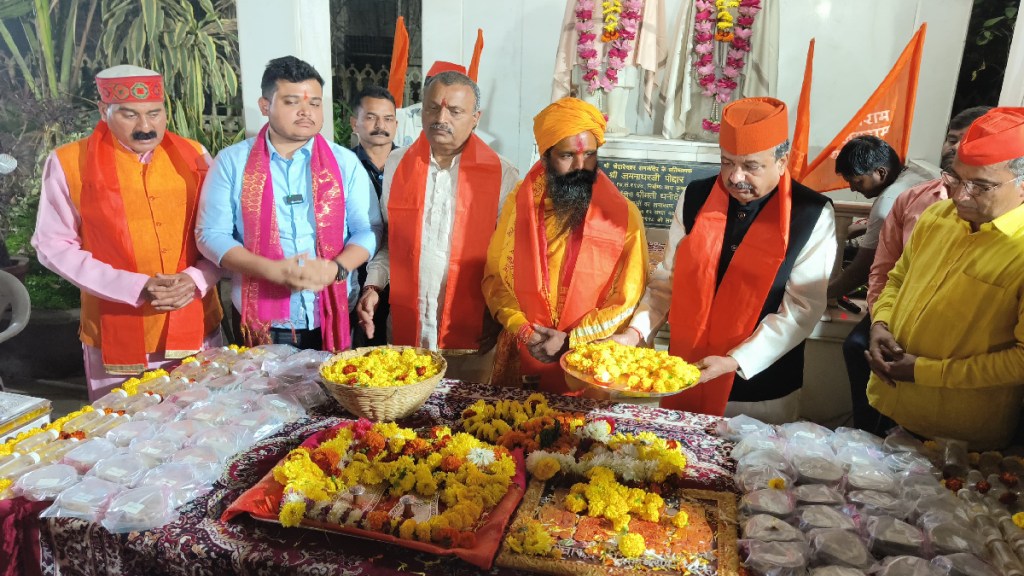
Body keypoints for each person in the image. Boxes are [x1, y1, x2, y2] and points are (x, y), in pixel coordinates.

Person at [613, 97, 837, 423]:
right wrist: (635, 332)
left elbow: (802, 309)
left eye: (750, 166)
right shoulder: (696, 198)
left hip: (760, 389)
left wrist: (735, 361)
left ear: (782, 161)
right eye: (727, 162)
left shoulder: (810, 213)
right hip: (685, 375)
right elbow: (667, 282)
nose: (735, 177)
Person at [32, 65, 224, 400]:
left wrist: (196, 278)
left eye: (155, 113)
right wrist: (136, 286)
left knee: (205, 428)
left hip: (195, 320)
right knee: (122, 433)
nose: (146, 127)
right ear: (103, 111)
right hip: (114, 330)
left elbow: (221, 232)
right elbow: (52, 245)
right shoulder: (69, 162)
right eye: (129, 115)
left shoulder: (195, 155)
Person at [196, 56, 381, 351]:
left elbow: (368, 229)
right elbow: (210, 234)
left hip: (333, 311)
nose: (306, 112)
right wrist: (271, 271)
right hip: (262, 317)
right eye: (292, 102)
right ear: (265, 105)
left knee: (332, 393)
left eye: (315, 103)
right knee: (265, 396)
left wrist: (337, 269)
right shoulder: (232, 162)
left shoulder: (344, 163)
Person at [866, 107, 1024, 450]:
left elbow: (1021, 360)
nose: (961, 196)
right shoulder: (939, 215)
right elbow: (898, 278)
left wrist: (923, 371)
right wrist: (881, 323)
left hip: (963, 434)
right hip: (893, 403)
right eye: (954, 178)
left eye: (981, 186)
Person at [358, 67, 519, 382]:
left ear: (475, 117)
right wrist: (374, 285)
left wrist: (500, 315)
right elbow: (393, 242)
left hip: (473, 340)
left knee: (465, 424)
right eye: (433, 107)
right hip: (407, 334)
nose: (440, 117)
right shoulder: (396, 164)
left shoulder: (503, 174)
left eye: (455, 111)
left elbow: (510, 259)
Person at [483, 98, 648, 393]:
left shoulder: (624, 216)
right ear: (546, 155)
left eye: (590, 155)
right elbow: (496, 277)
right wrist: (525, 330)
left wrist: (572, 340)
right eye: (567, 155)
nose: (580, 166)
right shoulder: (519, 204)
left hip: (591, 358)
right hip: (524, 348)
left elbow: (628, 296)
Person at [845, 106, 991, 434]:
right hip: (898, 308)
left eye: (967, 140)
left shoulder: (1006, 226)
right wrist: (880, 323)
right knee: (858, 346)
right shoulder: (917, 201)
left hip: (956, 330)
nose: (956, 148)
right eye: (952, 139)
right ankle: (867, 434)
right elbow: (886, 271)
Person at [828, 136, 926, 302]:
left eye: (857, 182)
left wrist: (820, 295)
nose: (852, 189)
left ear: (880, 173)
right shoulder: (919, 173)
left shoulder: (887, 203)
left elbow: (863, 269)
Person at [349, 85, 398, 347]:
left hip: (399, 274)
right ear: (354, 122)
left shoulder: (410, 164)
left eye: (388, 118)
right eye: (371, 117)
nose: (381, 125)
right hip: (354, 272)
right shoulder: (341, 166)